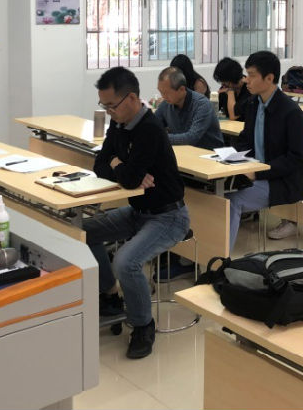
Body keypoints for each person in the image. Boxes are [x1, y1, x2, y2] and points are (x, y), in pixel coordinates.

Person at [85, 67, 190, 359]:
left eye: (112, 105)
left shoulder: (150, 129)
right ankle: (110, 294)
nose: (108, 112)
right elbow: (100, 165)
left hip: (169, 217)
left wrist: (119, 165)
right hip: (138, 212)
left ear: (132, 98)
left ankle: (143, 325)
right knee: (83, 232)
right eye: (104, 106)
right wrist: (120, 166)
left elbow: (129, 178)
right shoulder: (119, 124)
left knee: (126, 261)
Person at [226, 51, 303, 253]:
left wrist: (258, 172)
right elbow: (245, 140)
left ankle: (221, 258)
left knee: (231, 201)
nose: (247, 80)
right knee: (214, 191)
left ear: (269, 78)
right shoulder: (254, 103)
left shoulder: (291, 112)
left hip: (282, 182)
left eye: (252, 75)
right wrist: (230, 159)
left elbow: (296, 158)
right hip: (255, 174)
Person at [155, 67, 224, 151]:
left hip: (210, 153)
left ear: (181, 89)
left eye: (166, 93)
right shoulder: (166, 104)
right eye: (161, 92)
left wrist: (160, 137)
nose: (163, 96)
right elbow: (153, 126)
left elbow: (191, 138)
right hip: (185, 152)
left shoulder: (202, 104)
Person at [213, 56, 252, 121]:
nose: (222, 84)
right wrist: (215, 96)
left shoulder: (249, 89)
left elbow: (233, 116)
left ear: (232, 78)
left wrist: (230, 92)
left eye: (225, 81)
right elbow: (211, 112)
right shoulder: (225, 87)